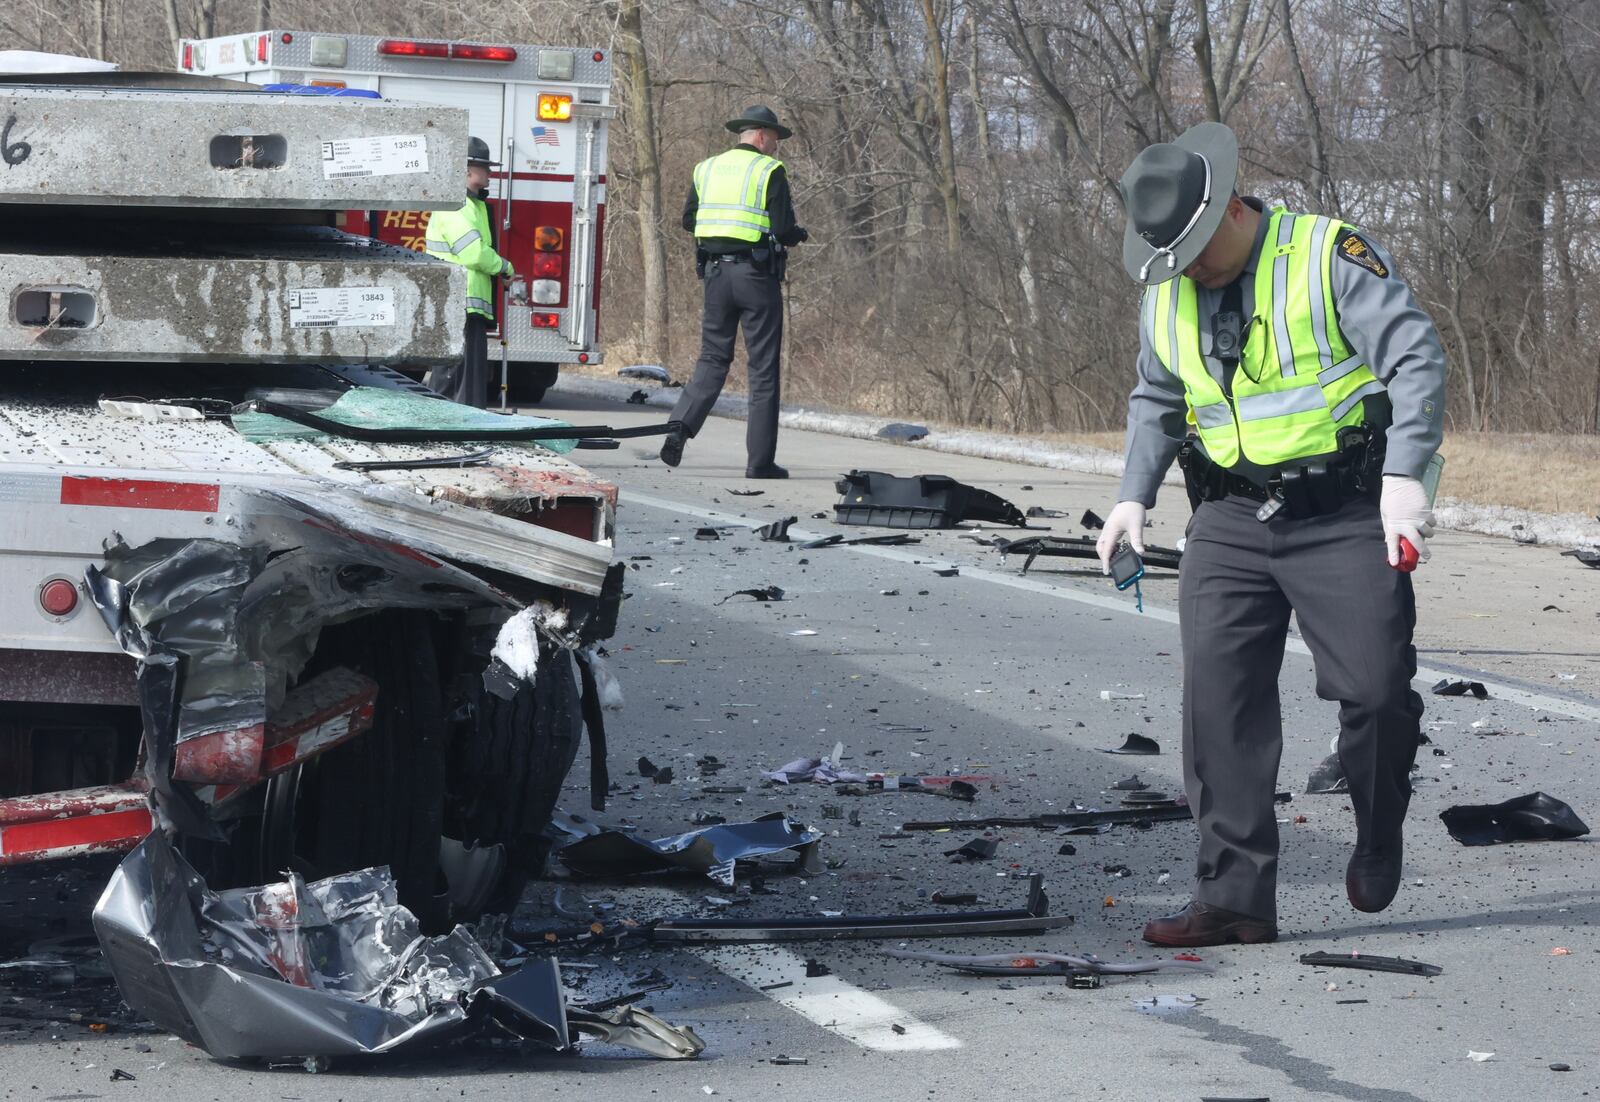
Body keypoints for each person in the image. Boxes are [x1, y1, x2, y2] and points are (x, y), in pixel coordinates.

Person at [1094, 122, 1445, 947]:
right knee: (1219, 705)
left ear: (1225, 211)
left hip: (1345, 512)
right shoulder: (1167, 287)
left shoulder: (1328, 254)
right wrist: (1131, 499)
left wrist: (1404, 480)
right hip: (1227, 520)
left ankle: (1378, 824)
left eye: (1192, 254)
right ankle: (1235, 899)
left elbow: (1416, 358)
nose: (1183, 275)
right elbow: (1158, 398)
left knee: (1374, 690)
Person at [660, 105, 807, 478]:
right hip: (756, 278)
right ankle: (760, 463)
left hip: (715, 275)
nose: (775, 145)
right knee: (762, 369)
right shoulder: (769, 170)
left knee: (712, 358)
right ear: (760, 135)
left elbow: (688, 219)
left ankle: (679, 425)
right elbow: (783, 225)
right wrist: (797, 235)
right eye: (773, 138)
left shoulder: (705, 168)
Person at [424, 136, 515, 407]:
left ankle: (459, 425)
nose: (490, 173)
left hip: (467, 306)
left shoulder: (472, 205)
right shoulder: (457, 206)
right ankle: (441, 427)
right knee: (454, 378)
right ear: (466, 170)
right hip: (457, 303)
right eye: (484, 167)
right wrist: (504, 266)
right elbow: (473, 252)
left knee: (463, 378)